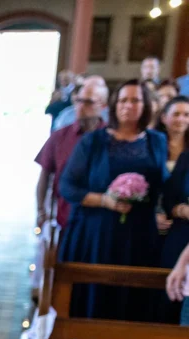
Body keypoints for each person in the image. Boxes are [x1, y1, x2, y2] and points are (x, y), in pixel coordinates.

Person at [59, 79, 168, 321]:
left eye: (135, 100)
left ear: (146, 105)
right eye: (123, 100)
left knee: (132, 303)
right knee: (94, 300)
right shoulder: (94, 141)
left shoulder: (157, 141)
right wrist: (104, 200)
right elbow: (67, 186)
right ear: (113, 105)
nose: (128, 105)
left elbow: (163, 184)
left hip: (140, 235)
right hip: (97, 234)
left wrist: (168, 209)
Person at [35, 80, 108, 232]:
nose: (81, 106)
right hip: (65, 217)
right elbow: (45, 174)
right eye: (79, 100)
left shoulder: (111, 137)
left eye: (88, 102)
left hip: (101, 220)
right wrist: (41, 210)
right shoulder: (60, 136)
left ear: (102, 105)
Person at [159, 96, 189, 322]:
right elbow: (169, 197)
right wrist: (181, 210)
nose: (182, 119)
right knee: (169, 299)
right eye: (176, 114)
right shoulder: (186, 158)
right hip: (180, 234)